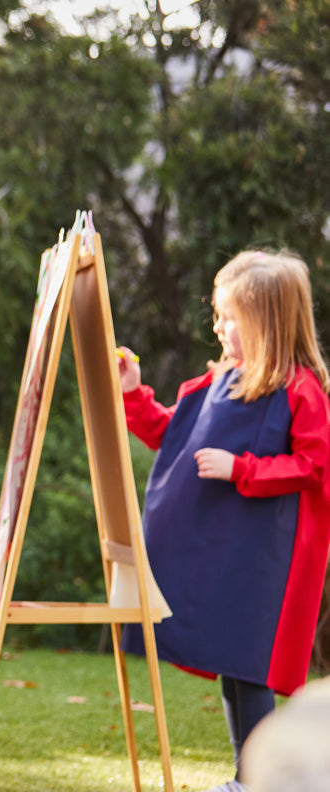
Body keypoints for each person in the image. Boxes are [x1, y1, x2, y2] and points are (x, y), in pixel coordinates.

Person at [117, 250, 330, 792]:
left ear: (269, 321)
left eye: (230, 316)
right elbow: (172, 435)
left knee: (249, 665)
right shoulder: (216, 382)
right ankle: (248, 778)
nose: (218, 326)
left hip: (265, 557)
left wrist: (242, 468)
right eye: (218, 314)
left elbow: (313, 464)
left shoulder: (301, 389)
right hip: (220, 550)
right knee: (233, 665)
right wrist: (133, 392)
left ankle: (252, 780)